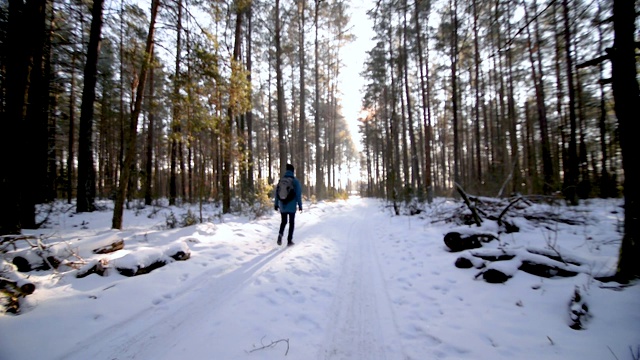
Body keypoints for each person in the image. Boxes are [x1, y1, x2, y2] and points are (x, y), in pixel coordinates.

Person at [274, 163, 303, 246]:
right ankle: (289, 240)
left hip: (283, 205)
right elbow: (298, 194)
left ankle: (280, 235)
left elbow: (277, 193)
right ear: (293, 171)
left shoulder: (281, 180)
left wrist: (276, 204)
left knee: (283, 222)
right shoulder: (295, 181)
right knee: (291, 223)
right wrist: (300, 206)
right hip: (292, 205)